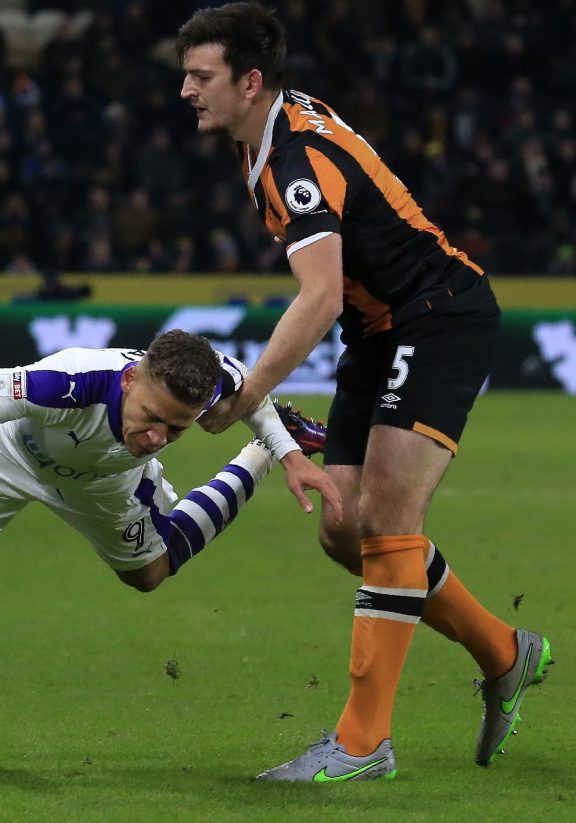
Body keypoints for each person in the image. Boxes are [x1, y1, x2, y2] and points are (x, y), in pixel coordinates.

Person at [176, 2, 553, 781]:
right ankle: (503, 652)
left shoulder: (294, 162)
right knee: (345, 528)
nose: (185, 90)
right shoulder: (271, 133)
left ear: (250, 83)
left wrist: (247, 394)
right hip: (379, 332)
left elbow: (317, 296)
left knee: (386, 519)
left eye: (200, 75)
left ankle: (361, 741)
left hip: (437, 316)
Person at [0, 329, 340, 696]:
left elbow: (252, 395)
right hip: (4, 458)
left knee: (148, 576)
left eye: (175, 429)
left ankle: (257, 454)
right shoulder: (65, 382)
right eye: (150, 417)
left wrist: (285, 452)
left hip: (106, 483)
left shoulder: (210, 381)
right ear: (128, 381)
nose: (155, 439)